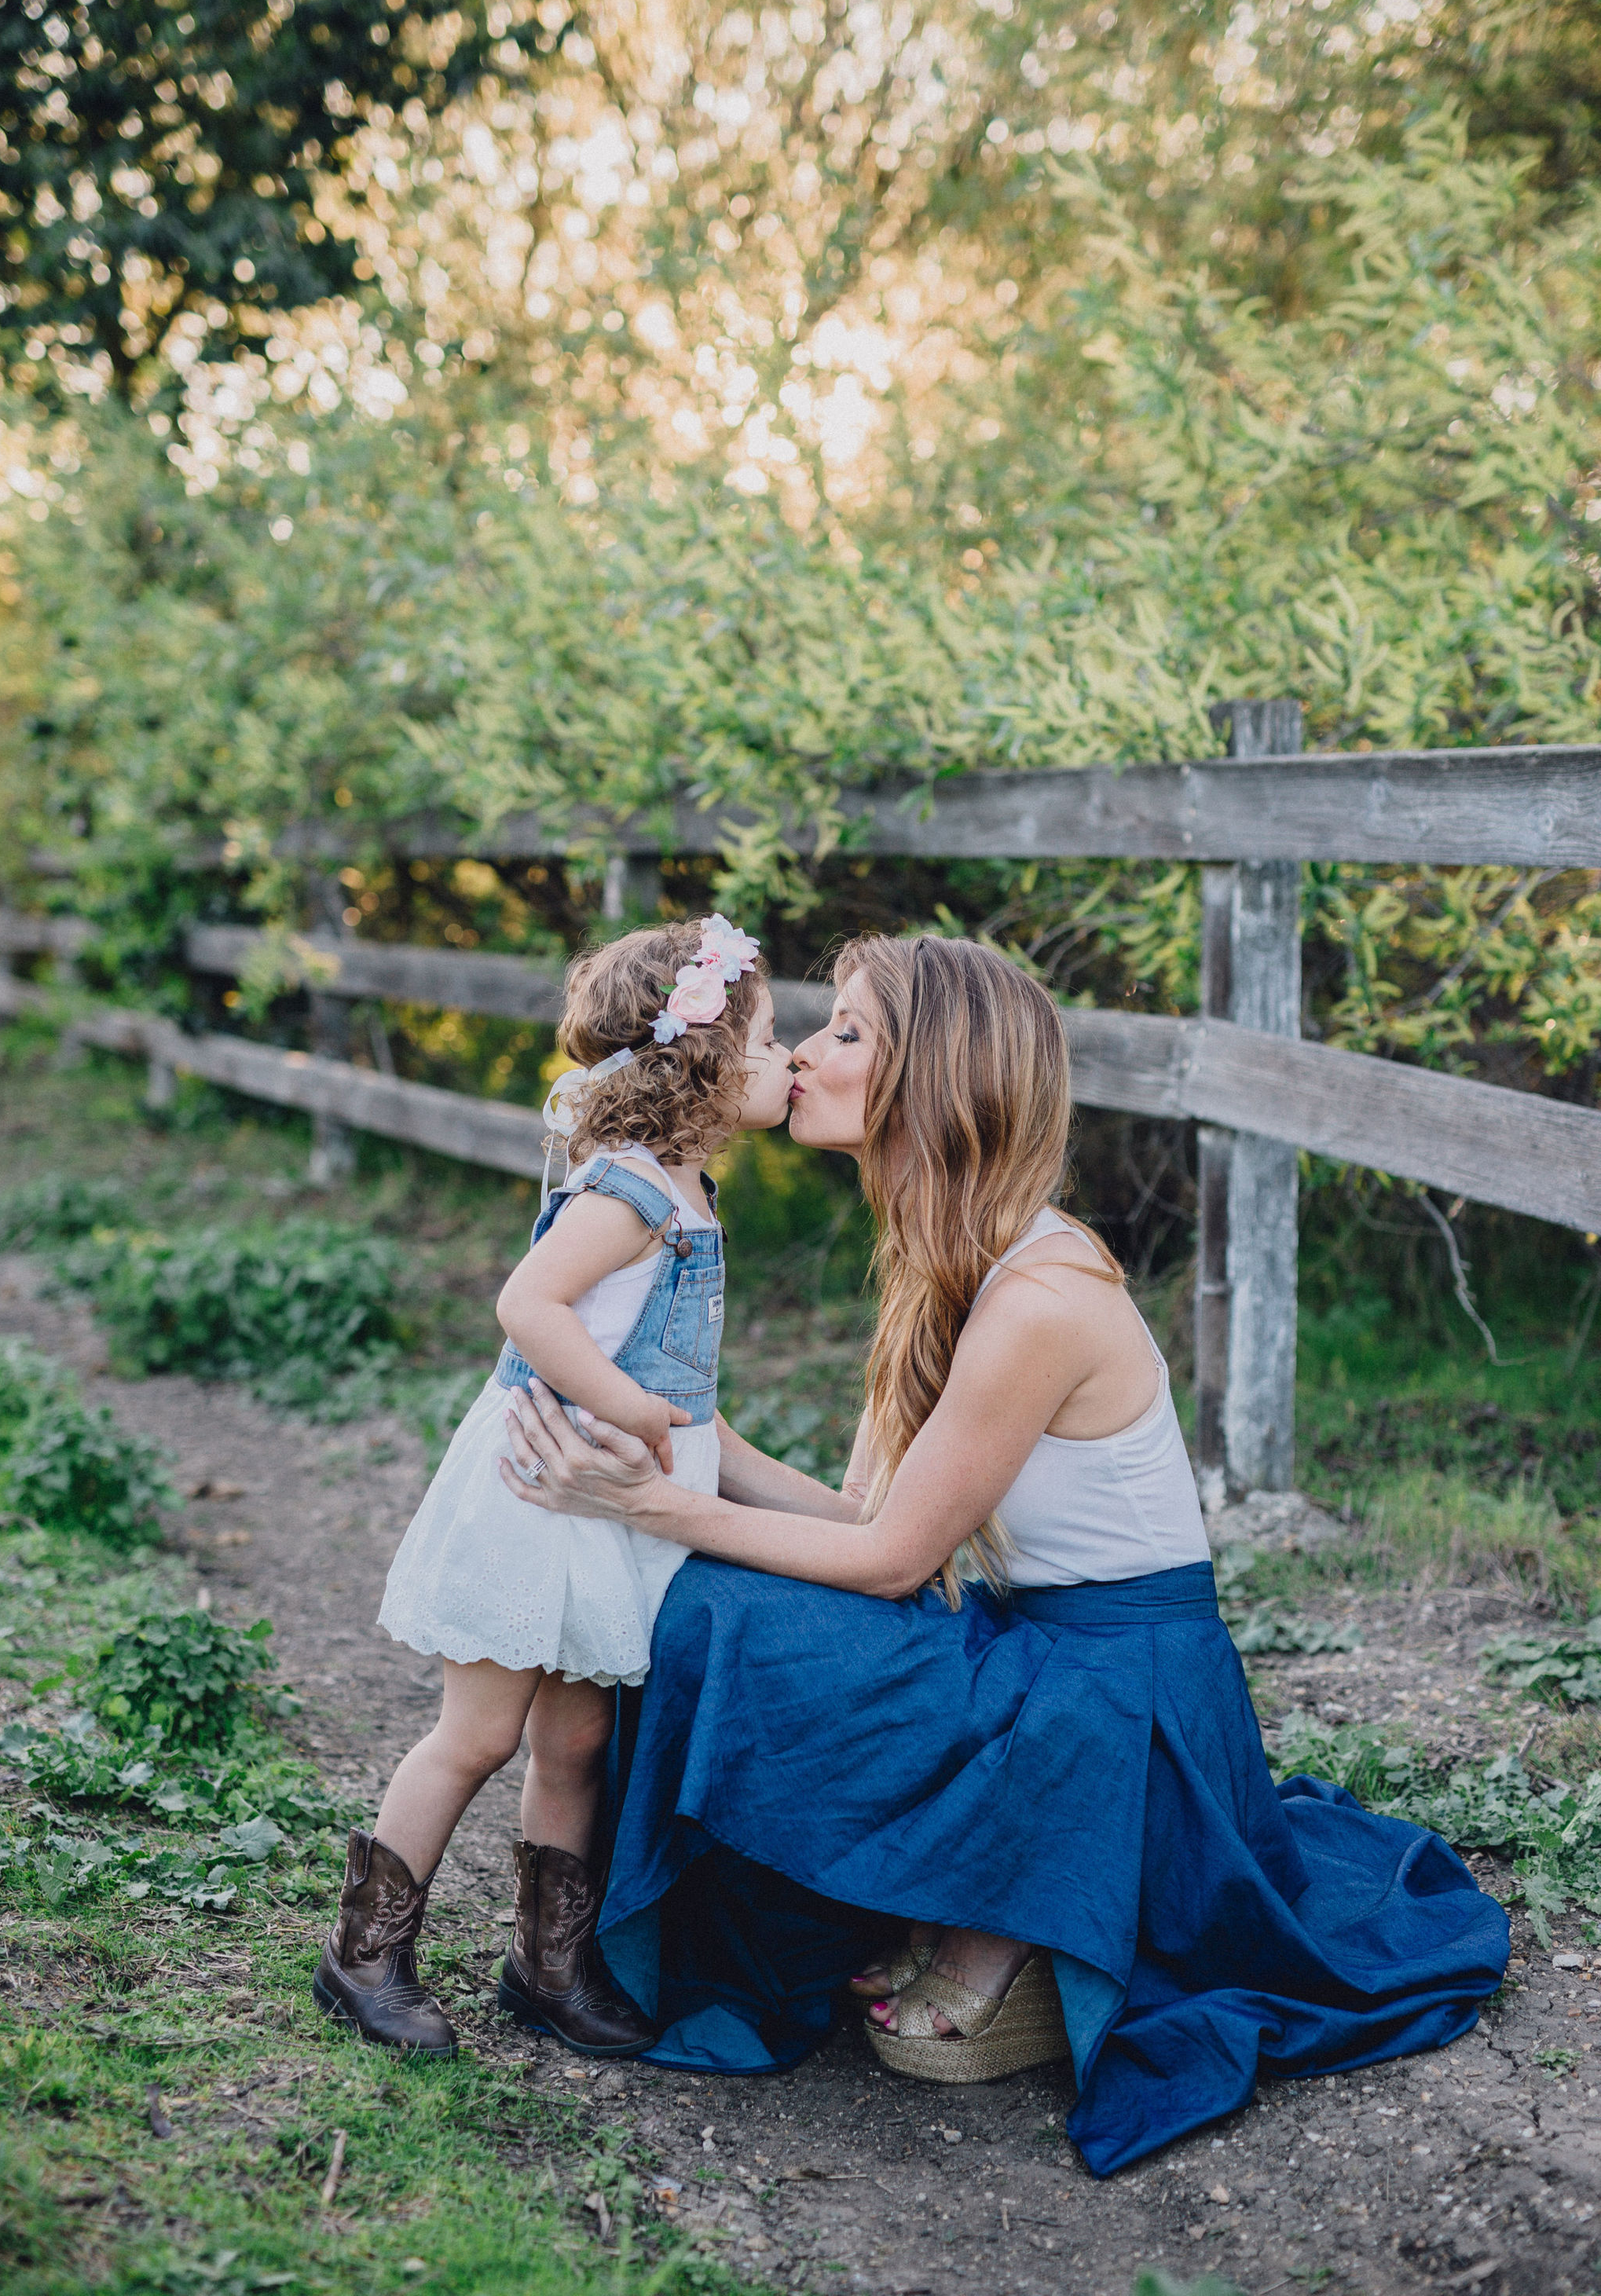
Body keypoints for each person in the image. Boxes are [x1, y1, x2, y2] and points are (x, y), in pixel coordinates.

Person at [500, 932, 1509, 2175]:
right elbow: (860, 1514)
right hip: (1040, 1648)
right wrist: (681, 1445)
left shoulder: (1039, 1297)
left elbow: (888, 1565)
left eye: (850, 1033)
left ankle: (1000, 1910)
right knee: (718, 1601)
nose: (806, 1053)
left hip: (1119, 1691)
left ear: (938, 1075)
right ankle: (925, 1902)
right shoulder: (940, 1255)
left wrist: (651, 1509)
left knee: (717, 1600)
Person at [313, 915, 790, 2062]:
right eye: (772, 1037)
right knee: (476, 1735)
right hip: (541, 1491)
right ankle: (364, 1953)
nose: (791, 1058)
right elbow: (528, 1306)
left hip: (604, 1512)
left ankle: (547, 1962)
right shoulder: (624, 1193)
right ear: (706, 1057)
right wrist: (627, 1411)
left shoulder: (690, 1189)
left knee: (576, 1742)